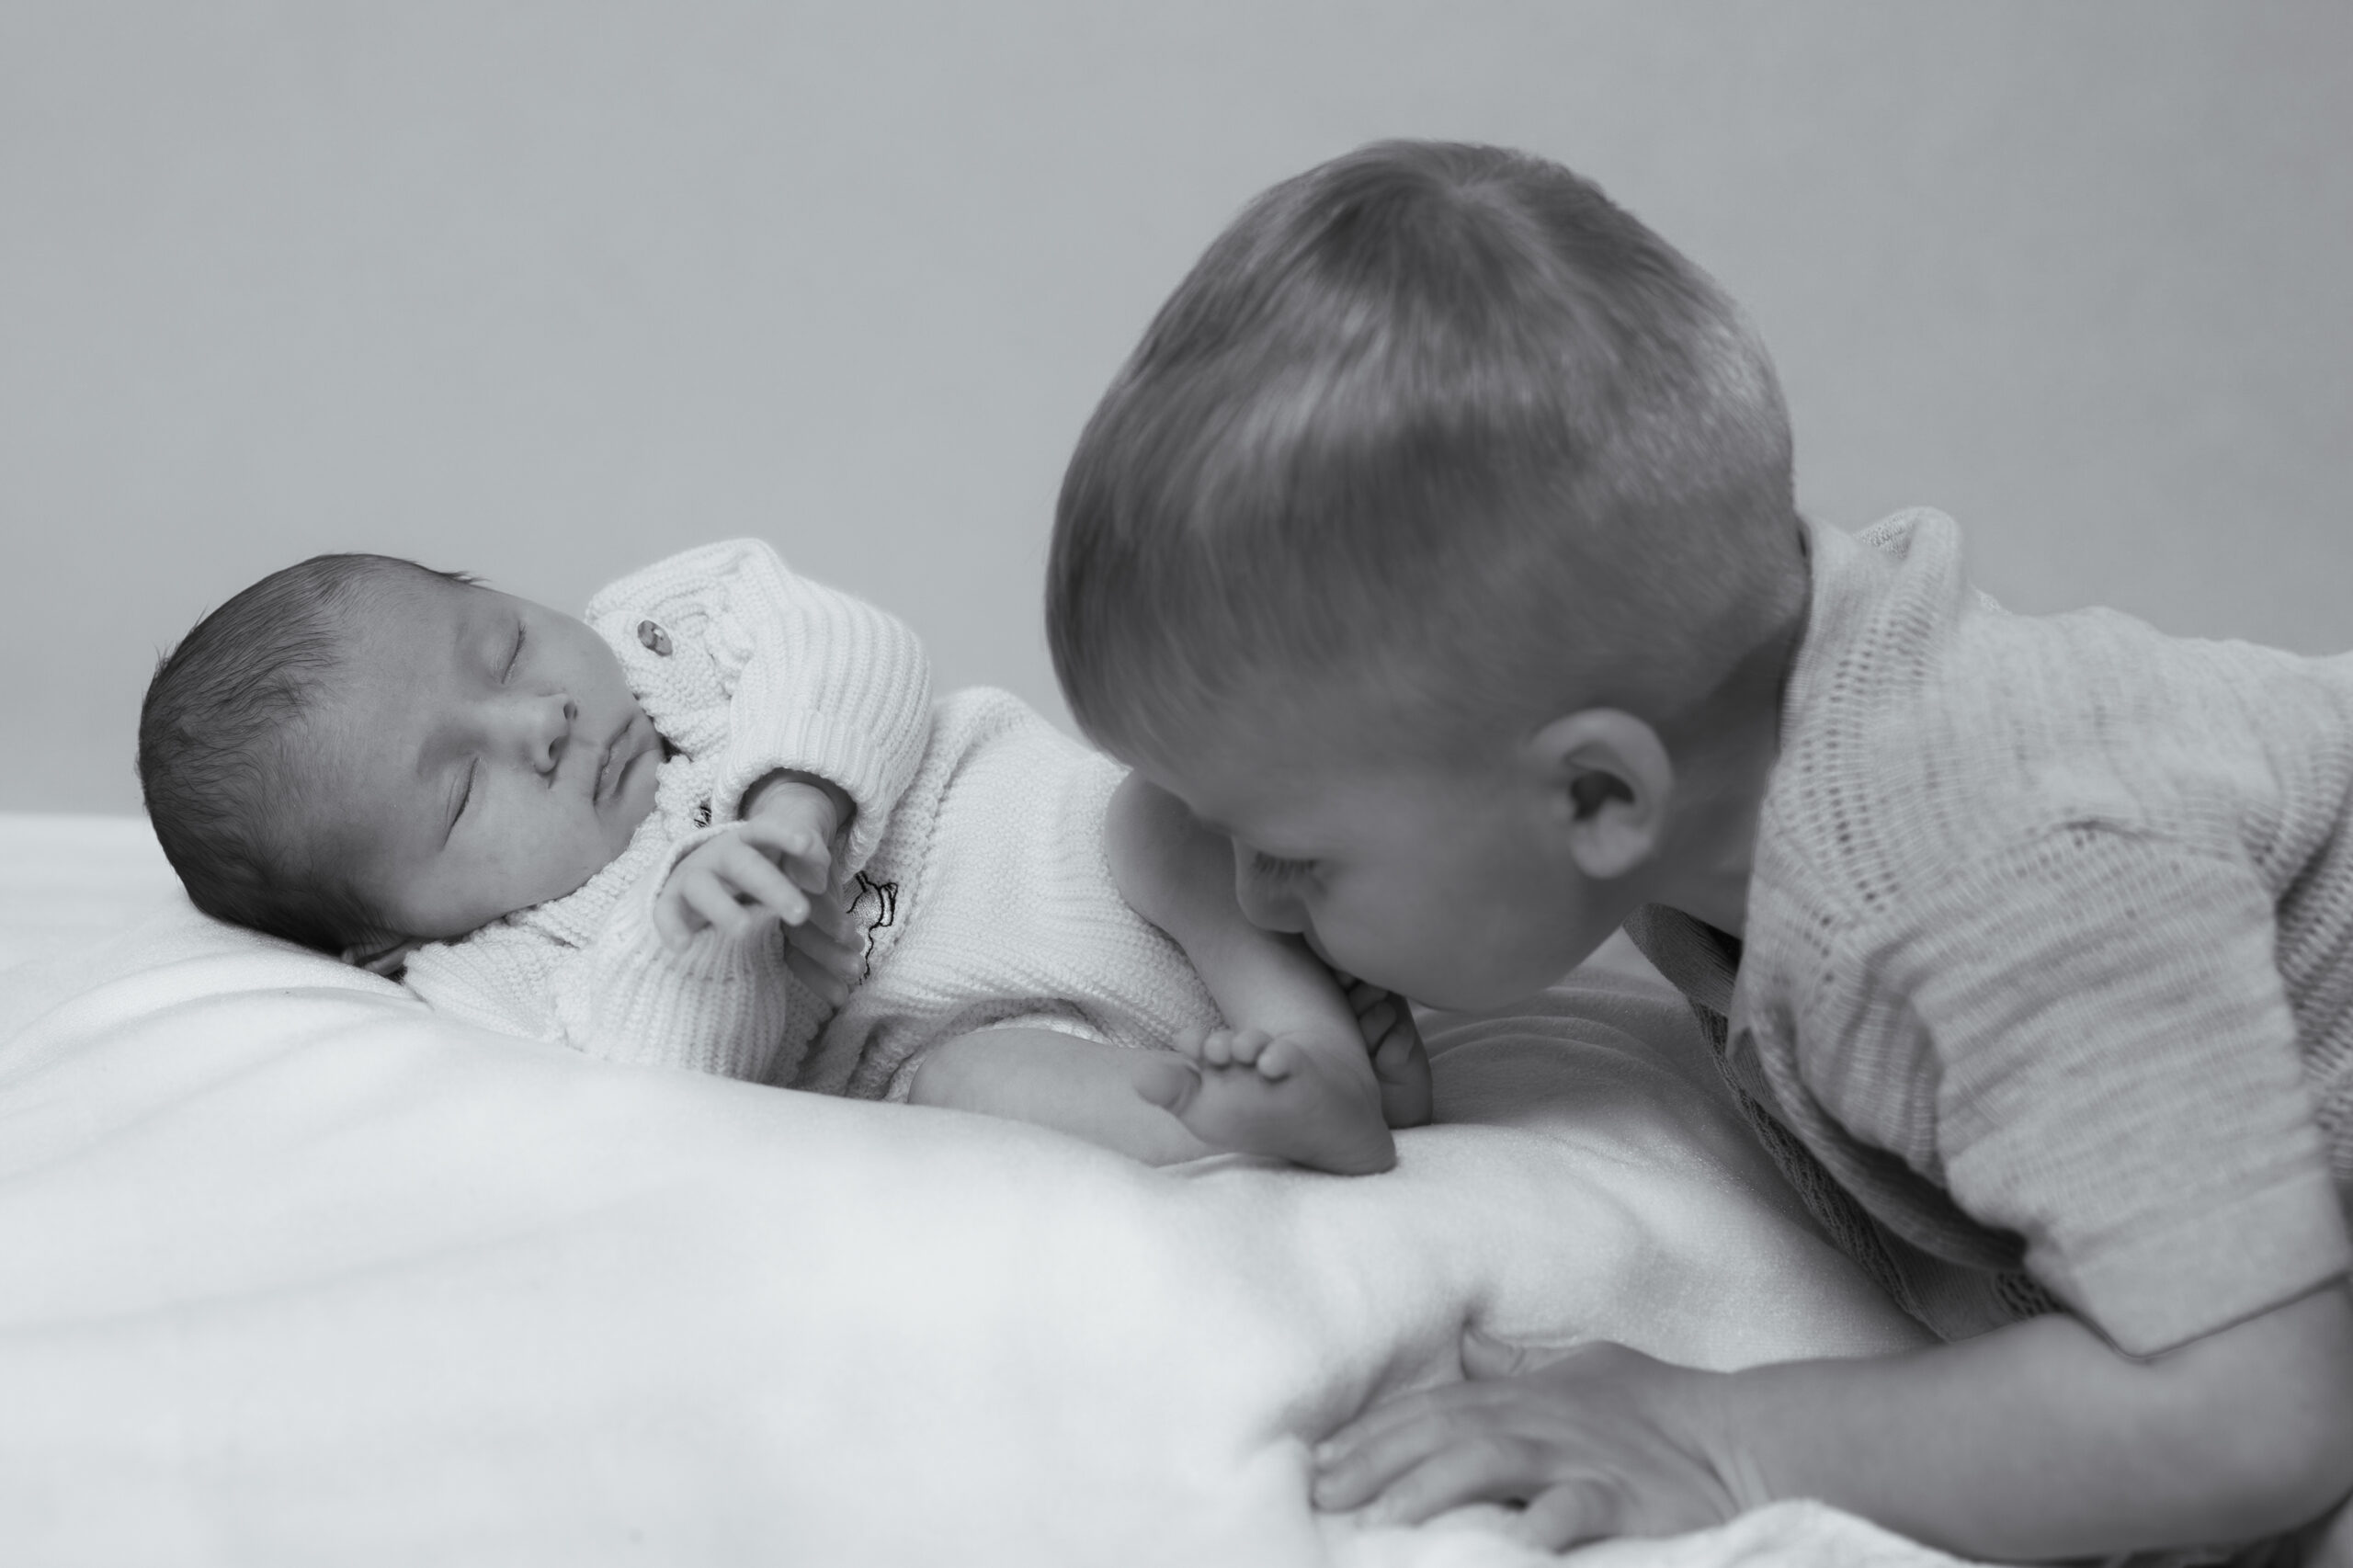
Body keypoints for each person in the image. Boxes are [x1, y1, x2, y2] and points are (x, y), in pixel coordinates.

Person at [1044, 139, 2353, 1561]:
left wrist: (1722, 1434)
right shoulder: (1750, 762)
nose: (1256, 899)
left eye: (1298, 856)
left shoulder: (1992, 876)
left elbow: (2257, 1412)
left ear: (1599, 794)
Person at [135, 538, 1429, 1174]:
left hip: (1060, 846)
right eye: (463, 789)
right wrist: (690, 936)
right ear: (388, 936)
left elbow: (857, 645)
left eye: (503, 647)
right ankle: (1239, 1112)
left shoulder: (670, 630)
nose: (540, 722)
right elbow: (652, 1088)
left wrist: (796, 800)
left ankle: (1305, 1028)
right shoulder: (494, 975)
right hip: (930, 1036)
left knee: (1163, 818)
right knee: (972, 1096)